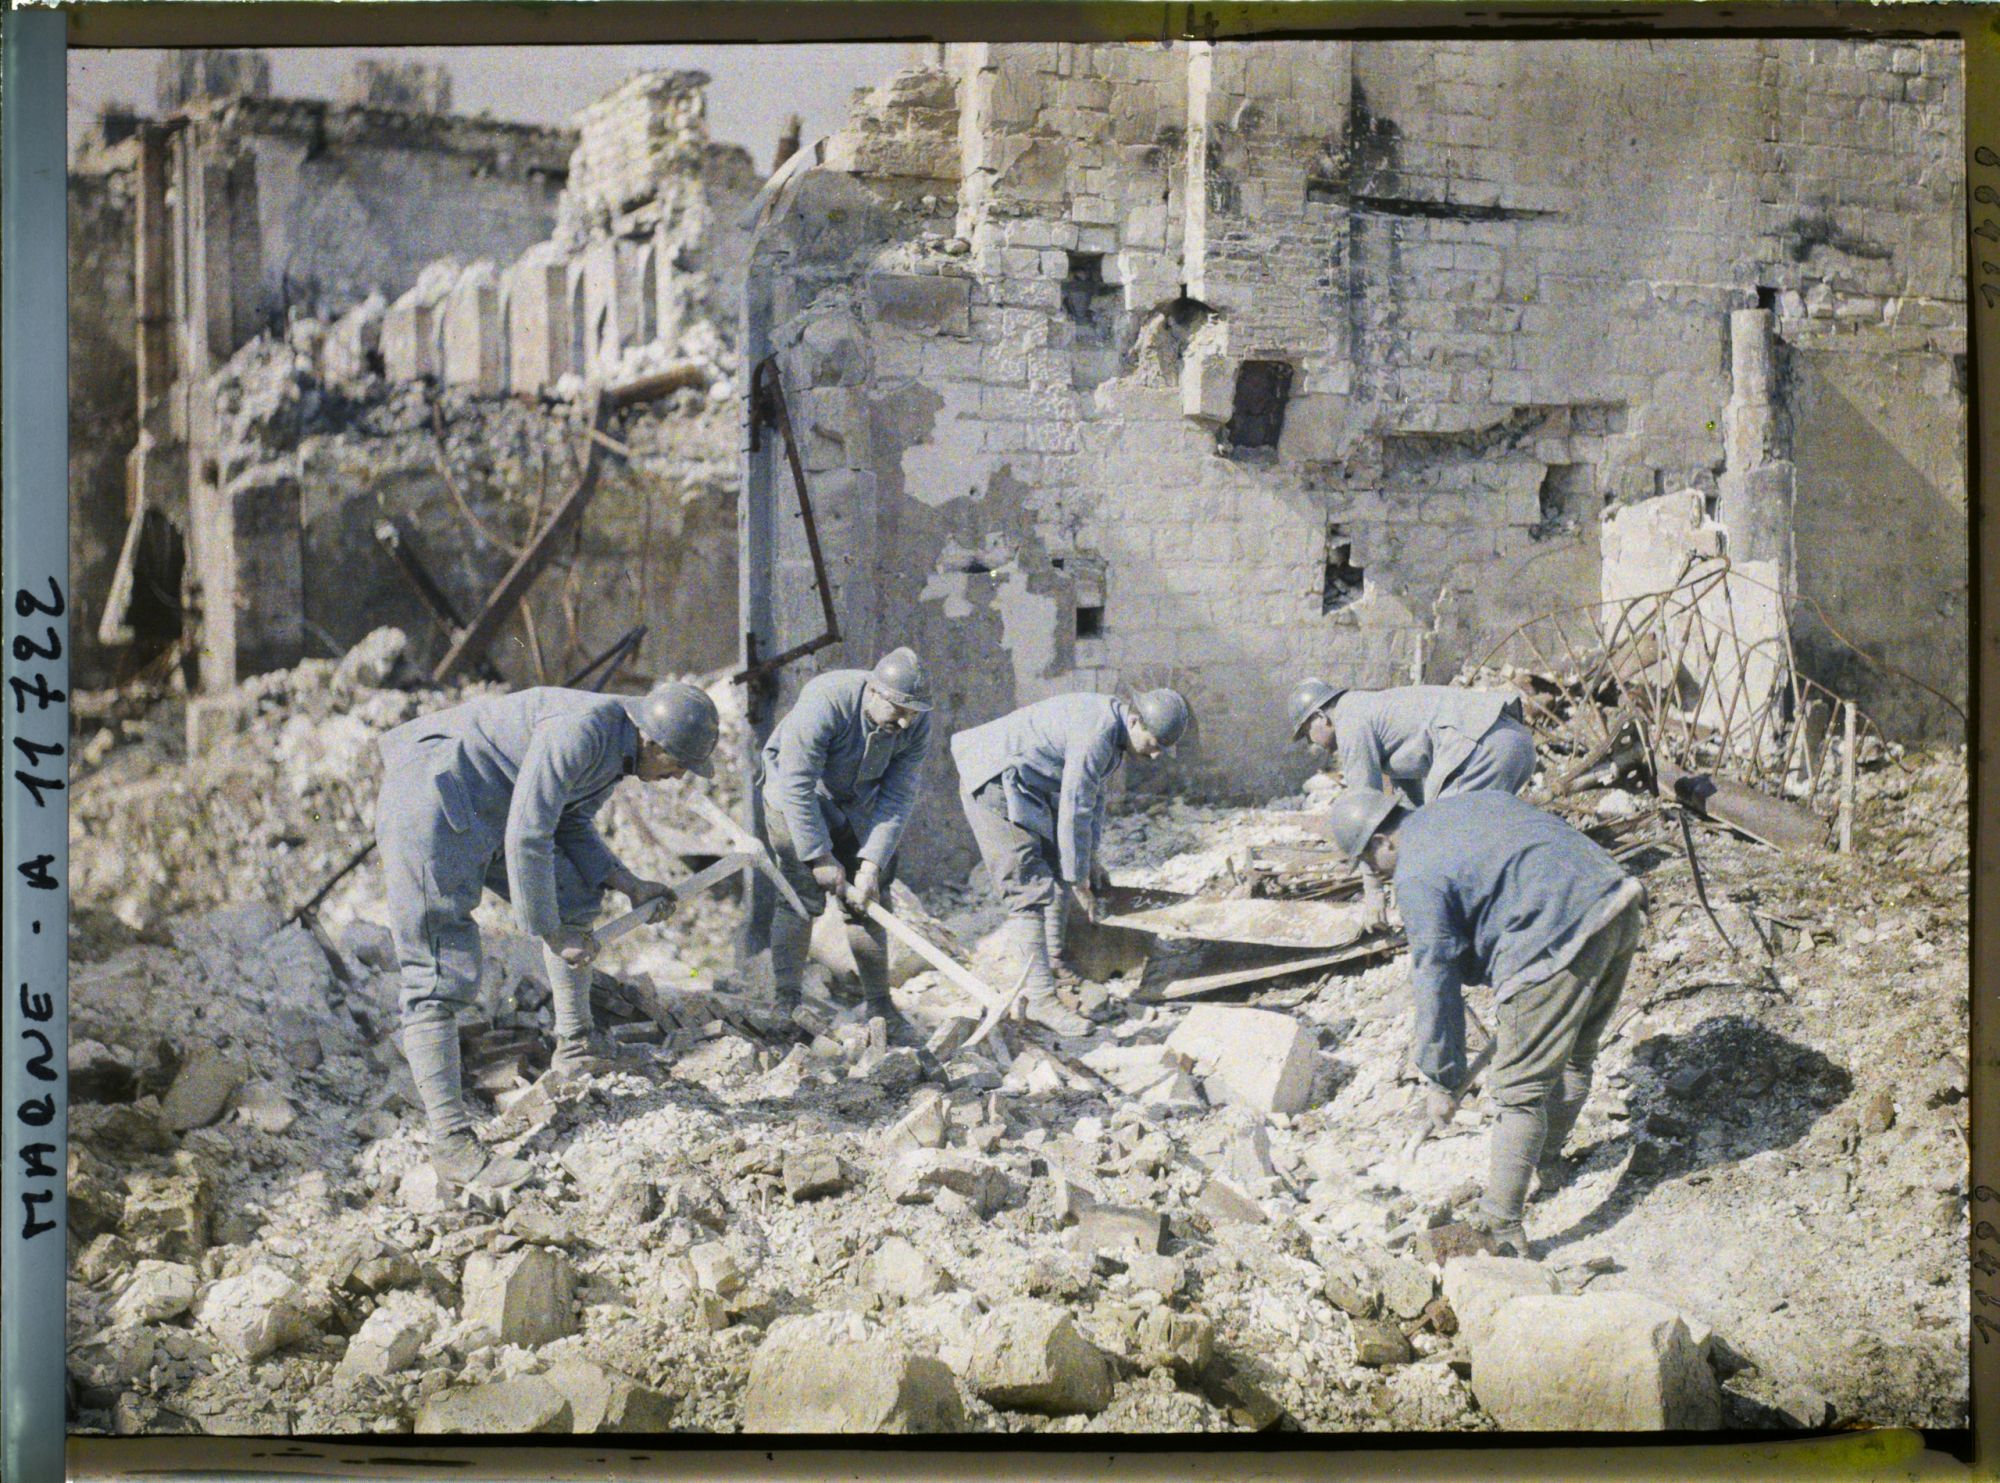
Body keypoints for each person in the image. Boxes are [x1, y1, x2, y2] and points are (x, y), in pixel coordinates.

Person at [376, 680, 720, 1193]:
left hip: (491, 812)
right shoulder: (583, 732)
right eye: (677, 765)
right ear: (653, 741)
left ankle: (577, 1044)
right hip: (433, 809)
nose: (676, 778)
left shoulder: (618, 747)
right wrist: (551, 932)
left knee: (578, 890)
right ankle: (450, 1143)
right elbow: (528, 835)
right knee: (438, 975)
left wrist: (626, 882)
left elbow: (570, 822)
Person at [1323, 787, 1647, 1256]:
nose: (1377, 875)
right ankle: (1548, 1164)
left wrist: (1440, 1076)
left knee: (1518, 1091)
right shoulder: (1462, 803)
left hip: (1552, 936)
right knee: (1575, 1054)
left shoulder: (1415, 873)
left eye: (1371, 865)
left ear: (1383, 842)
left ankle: (1500, 1228)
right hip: (1618, 898)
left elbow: (1435, 975)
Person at [951, 688, 1191, 1037]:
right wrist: (1079, 878)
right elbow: (1074, 806)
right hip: (991, 777)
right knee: (1027, 888)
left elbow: (1092, 799)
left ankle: (1057, 962)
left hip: (1024, 782)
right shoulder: (1098, 731)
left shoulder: (1114, 736)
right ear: (1136, 720)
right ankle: (1039, 999)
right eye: (1154, 744)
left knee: (1061, 864)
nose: (1155, 756)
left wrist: (1087, 859)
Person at [758, 648, 934, 1043]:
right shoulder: (828, 698)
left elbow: (898, 797)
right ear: (873, 691)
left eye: (914, 712)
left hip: (858, 805)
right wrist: (819, 855)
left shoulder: (915, 724)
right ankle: (786, 1001)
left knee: (868, 900)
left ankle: (881, 1005)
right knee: (799, 898)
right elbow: (797, 781)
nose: (905, 722)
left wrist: (871, 863)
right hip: (795, 797)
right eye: (899, 709)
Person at [1287, 678, 1537, 927]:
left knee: (1447, 845)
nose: (1311, 744)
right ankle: (1519, 908)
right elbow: (1409, 810)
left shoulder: (1350, 720)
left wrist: (1373, 892)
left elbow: (1364, 816)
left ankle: (1450, 929)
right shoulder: (1370, 708)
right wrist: (1403, 871)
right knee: (1480, 841)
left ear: (1321, 716)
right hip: (1514, 741)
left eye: (1306, 733)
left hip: (1483, 746)